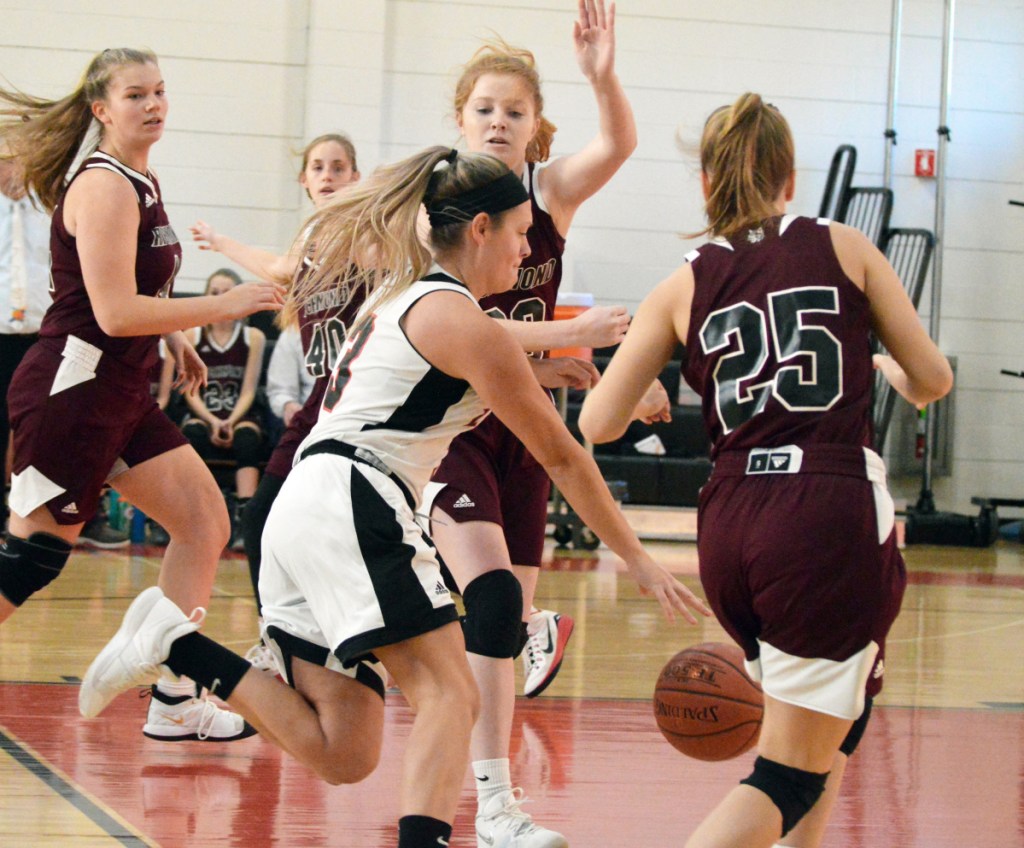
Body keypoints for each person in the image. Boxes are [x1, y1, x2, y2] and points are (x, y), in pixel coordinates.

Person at [78, 144, 710, 848]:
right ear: (479, 230)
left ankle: (178, 645)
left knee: (344, 751)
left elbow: (494, 362)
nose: (528, 247)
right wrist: (639, 559)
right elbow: (562, 455)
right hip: (355, 496)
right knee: (451, 692)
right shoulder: (453, 312)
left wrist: (577, 372)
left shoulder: (418, 297)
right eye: (520, 230)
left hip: (309, 507)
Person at [579, 94, 953, 848]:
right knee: (789, 771)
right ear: (789, 178)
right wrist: (893, 372)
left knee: (832, 723)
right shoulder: (845, 247)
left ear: (708, 185)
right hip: (823, 511)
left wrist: (646, 388)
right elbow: (933, 378)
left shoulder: (681, 283)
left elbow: (596, 425)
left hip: (729, 518)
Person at [0, 47, 284, 742]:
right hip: (75, 389)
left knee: (205, 525)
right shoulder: (103, 186)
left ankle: (174, 696)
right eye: (136, 95)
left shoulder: (142, 177)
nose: (154, 104)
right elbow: (115, 313)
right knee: (29, 562)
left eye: (160, 91)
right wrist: (226, 305)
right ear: (102, 109)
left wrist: (177, 337)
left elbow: (139, 293)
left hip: (122, 392)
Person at [423, 4, 652, 844]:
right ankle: (488, 801)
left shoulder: (546, 194)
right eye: (484, 107)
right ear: (460, 118)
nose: (497, 121)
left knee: (498, 626)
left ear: (534, 128)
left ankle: (492, 803)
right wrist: (562, 339)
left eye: (514, 111)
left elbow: (621, 146)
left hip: (521, 429)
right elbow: (459, 332)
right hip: (448, 429)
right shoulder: (438, 206)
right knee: (485, 601)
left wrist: (602, 78)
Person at [189, 133, 362, 662]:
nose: (328, 175)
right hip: (318, 402)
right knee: (261, 516)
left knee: (360, 530)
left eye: (339, 167)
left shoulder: (367, 231)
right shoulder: (310, 240)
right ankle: (278, 635)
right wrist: (219, 242)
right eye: (318, 167)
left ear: (356, 177)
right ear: (304, 180)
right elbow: (278, 268)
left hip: (362, 399)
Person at [179, 267, 267, 549]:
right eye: (214, 292)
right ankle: (192, 514)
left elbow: (249, 389)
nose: (219, 298)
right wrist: (212, 421)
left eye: (226, 293)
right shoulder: (192, 335)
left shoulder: (253, 337)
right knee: (190, 434)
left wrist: (229, 419)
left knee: (248, 438)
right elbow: (190, 391)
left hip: (238, 412)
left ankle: (245, 517)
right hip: (202, 412)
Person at [0, 153, 51, 536]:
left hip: (41, 336)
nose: (15, 169)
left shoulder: (50, 206)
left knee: (43, 428)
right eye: (6, 161)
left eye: (21, 160)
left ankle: (42, 515)